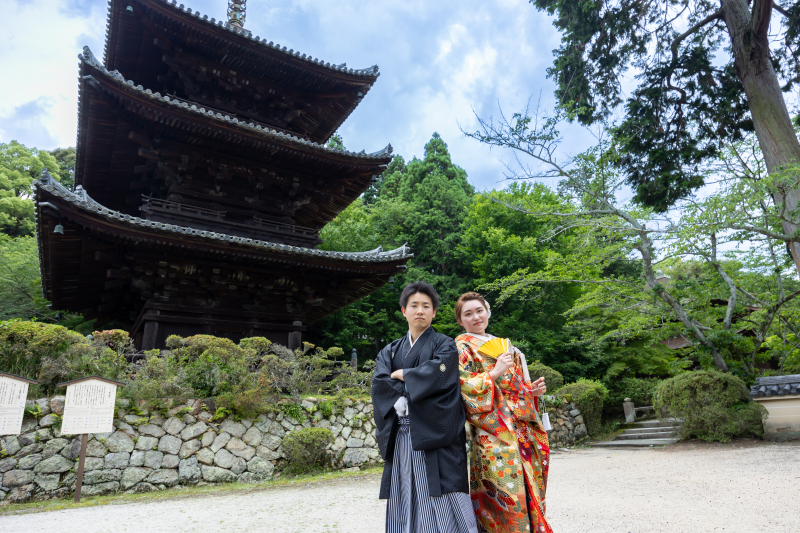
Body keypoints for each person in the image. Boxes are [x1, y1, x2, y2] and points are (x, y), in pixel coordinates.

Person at [371, 281, 479, 533]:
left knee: (443, 490)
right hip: (402, 436)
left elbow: (442, 378)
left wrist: (404, 374)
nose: (420, 310)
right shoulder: (390, 350)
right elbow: (380, 385)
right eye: (414, 305)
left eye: (426, 306)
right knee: (405, 489)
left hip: (435, 433)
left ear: (434, 312)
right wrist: (410, 380)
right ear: (403, 311)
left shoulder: (444, 345)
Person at [454, 291, 553, 533]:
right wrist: (495, 373)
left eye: (479, 310)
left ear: (487, 312)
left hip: (520, 430)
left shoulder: (508, 347)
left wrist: (531, 392)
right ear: (460, 320)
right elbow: (463, 386)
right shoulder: (461, 346)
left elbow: (515, 388)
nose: (476, 317)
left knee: (529, 490)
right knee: (503, 494)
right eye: (468, 314)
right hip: (493, 433)